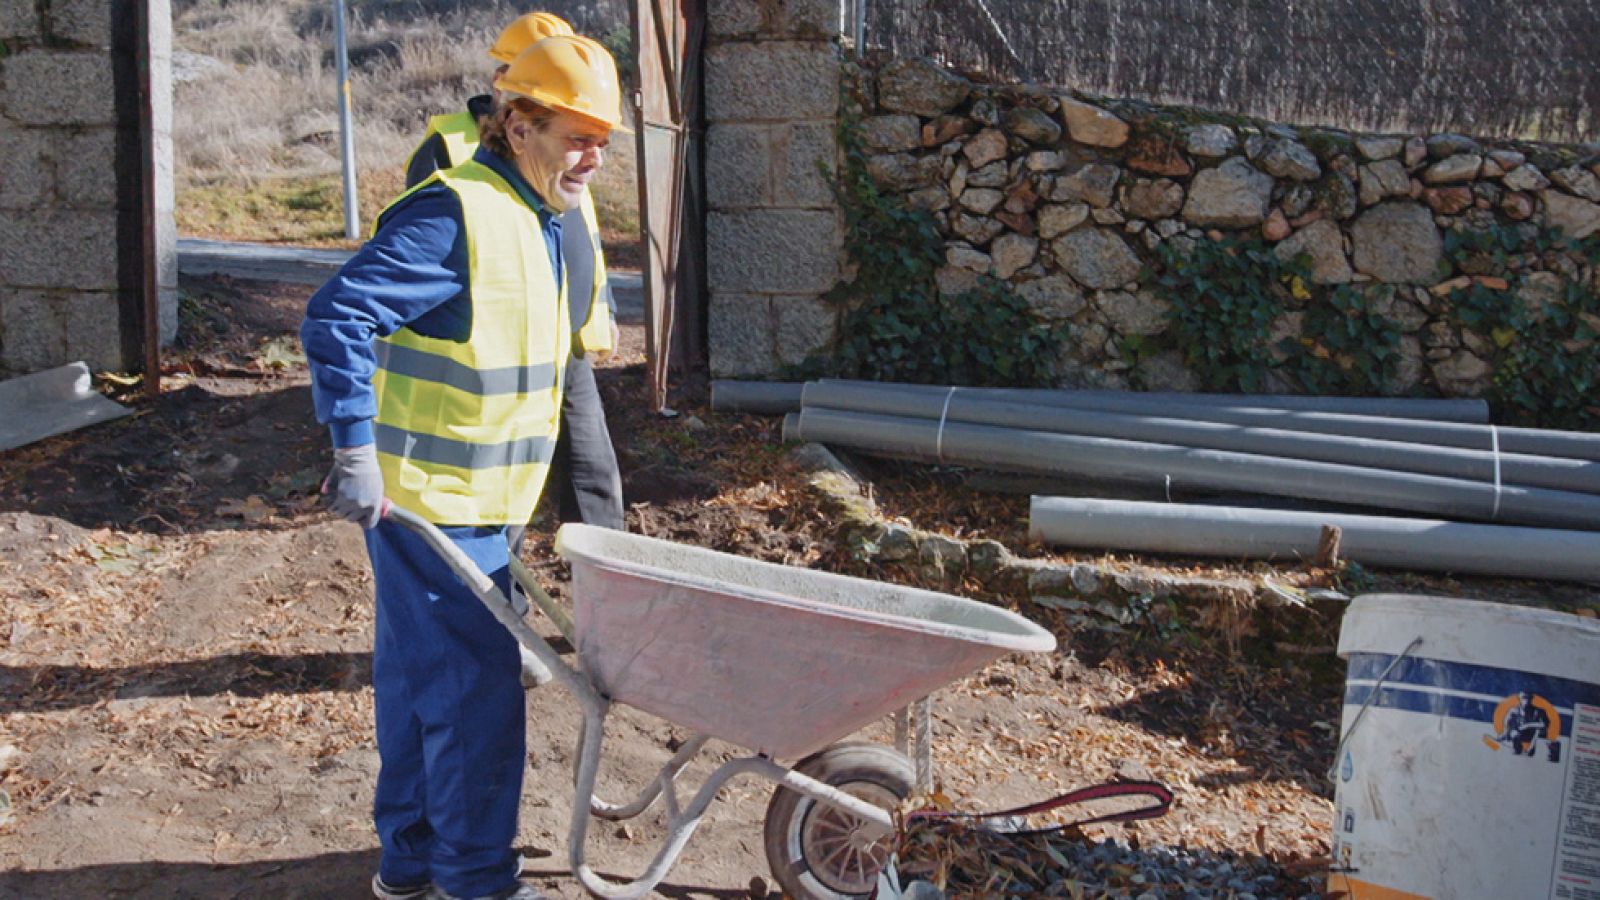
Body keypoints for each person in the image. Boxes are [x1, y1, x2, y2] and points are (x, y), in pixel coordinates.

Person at [300, 35, 630, 900]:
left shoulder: (535, 214)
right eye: (576, 134)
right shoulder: (456, 214)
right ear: (517, 125)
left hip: (473, 505)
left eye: (603, 138)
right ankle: (476, 881)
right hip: (432, 508)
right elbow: (336, 318)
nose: (592, 155)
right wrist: (352, 448)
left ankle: (410, 864)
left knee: (420, 684)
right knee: (477, 700)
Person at [407, 10, 625, 538]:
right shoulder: (454, 146)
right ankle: (505, 589)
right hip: (498, 351)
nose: (592, 155)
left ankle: (607, 586)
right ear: (501, 81)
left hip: (562, 341)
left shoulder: (569, 135)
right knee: (503, 488)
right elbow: (420, 260)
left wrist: (604, 312)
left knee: (592, 473)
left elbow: (581, 238)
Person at [1502, 691, 1550, 756]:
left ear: (1531, 699)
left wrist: (1528, 725)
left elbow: (1546, 724)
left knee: (1537, 730)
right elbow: (1506, 721)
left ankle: (1530, 750)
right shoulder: (1514, 710)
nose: (1526, 700)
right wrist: (1506, 732)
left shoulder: (1539, 711)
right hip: (1521, 734)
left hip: (1535, 735)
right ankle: (1518, 748)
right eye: (1524, 698)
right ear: (1520, 698)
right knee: (1513, 732)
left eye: (1528, 698)